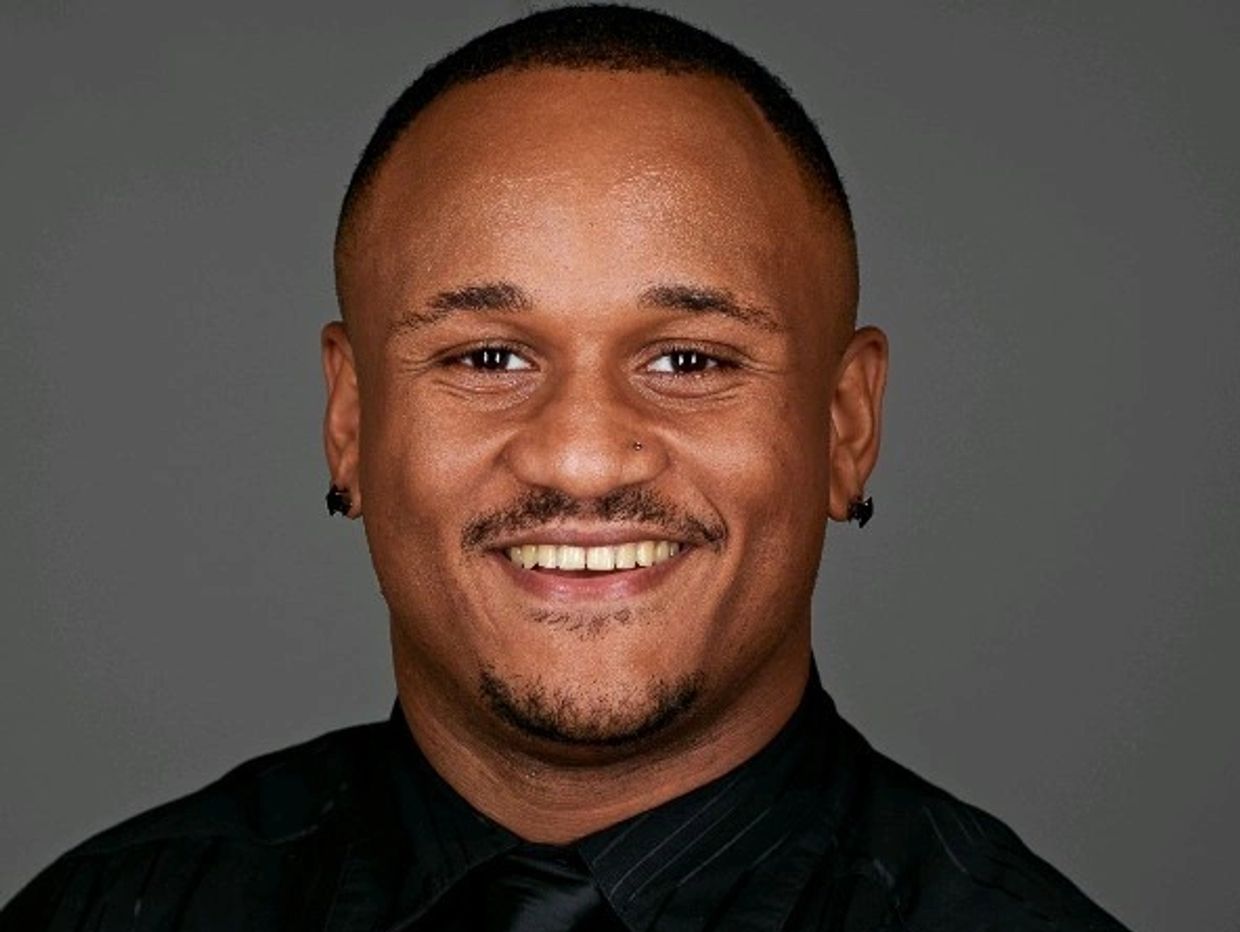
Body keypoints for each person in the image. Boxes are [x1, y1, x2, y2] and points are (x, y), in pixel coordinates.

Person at [1, 6, 1130, 930]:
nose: (583, 455)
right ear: (349, 418)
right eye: (488, 356)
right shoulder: (112, 911)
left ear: (845, 426)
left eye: (688, 358)